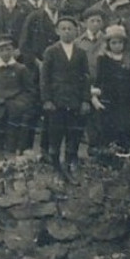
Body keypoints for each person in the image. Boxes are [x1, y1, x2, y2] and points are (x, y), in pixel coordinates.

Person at [40, 13, 91, 178]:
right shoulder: (51, 51)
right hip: (57, 100)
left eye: (70, 29)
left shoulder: (81, 52)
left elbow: (86, 77)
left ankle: (69, 165)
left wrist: (85, 100)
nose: (67, 32)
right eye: (63, 29)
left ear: (76, 31)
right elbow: (45, 77)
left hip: (75, 100)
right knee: (55, 135)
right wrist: (47, 99)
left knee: (73, 134)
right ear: (57, 31)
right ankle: (56, 169)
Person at [0, 34, 40, 162]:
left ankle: (11, 170)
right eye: (1, 50)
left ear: (13, 51)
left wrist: (21, 103)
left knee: (13, 143)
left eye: (8, 49)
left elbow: (30, 91)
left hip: (15, 112)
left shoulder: (21, 69)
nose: (5, 53)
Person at [90, 25, 130, 156]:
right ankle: (108, 155)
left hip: (125, 98)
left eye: (120, 42)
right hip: (109, 97)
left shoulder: (128, 58)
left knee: (125, 126)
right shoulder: (103, 58)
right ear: (108, 43)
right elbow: (99, 78)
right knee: (108, 127)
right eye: (113, 42)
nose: (117, 46)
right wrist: (96, 96)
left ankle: (124, 154)